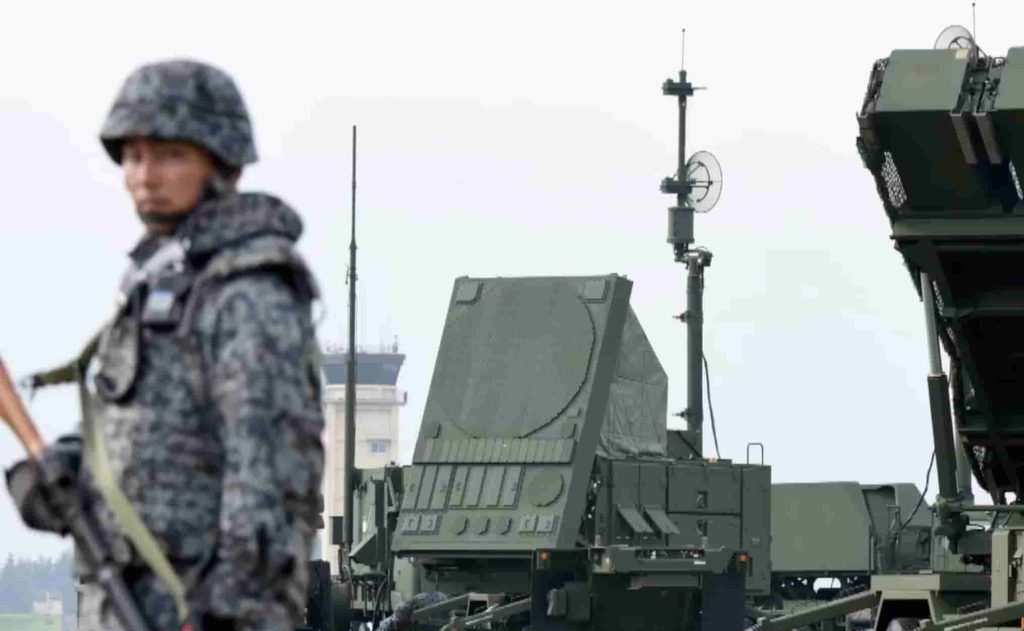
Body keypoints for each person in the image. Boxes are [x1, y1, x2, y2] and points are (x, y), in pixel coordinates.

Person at [6, 59, 325, 631]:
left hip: (200, 612)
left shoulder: (247, 293)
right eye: (133, 156)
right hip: (128, 603)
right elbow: (140, 425)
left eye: (170, 155)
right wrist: (70, 468)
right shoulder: (161, 280)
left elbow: (269, 488)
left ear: (223, 161)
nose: (145, 176)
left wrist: (228, 615)